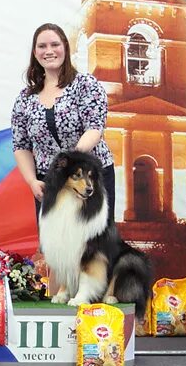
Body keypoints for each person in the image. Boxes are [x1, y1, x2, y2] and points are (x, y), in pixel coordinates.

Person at [11, 22, 116, 222]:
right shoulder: (24, 98)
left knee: (94, 246)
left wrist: (69, 165)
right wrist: (33, 181)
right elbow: (20, 145)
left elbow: (94, 128)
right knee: (54, 246)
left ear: (65, 48)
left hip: (89, 178)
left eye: (54, 45)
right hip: (50, 183)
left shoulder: (86, 84)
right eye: (42, 46)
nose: (49, 51)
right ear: (35, 52)